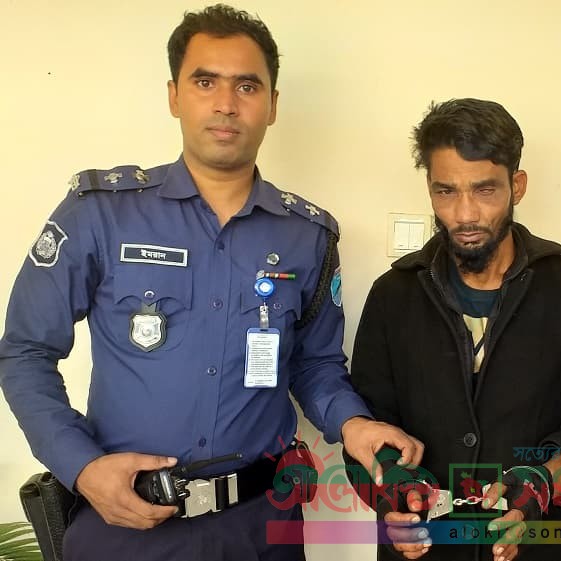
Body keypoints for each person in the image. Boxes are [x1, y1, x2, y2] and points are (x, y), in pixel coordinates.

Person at [0, 4, 422, 561]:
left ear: (272, 105)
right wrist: (81, 467)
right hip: (126, 526)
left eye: (247, 86)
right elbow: (25, 352)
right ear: (174, 95)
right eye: (205, 82)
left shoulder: (308, 236)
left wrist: (354, 424)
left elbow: (314, 364)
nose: (226, 104)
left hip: (263, 527)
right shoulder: (99, 213)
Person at [346, 98, 561, 561]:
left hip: (540, 548)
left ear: (517, 186)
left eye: (484, 190)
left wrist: (540, 484)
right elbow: (367, 426)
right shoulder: (393, 294)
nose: (464, 214)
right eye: (445, 191)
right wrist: (391, 496)